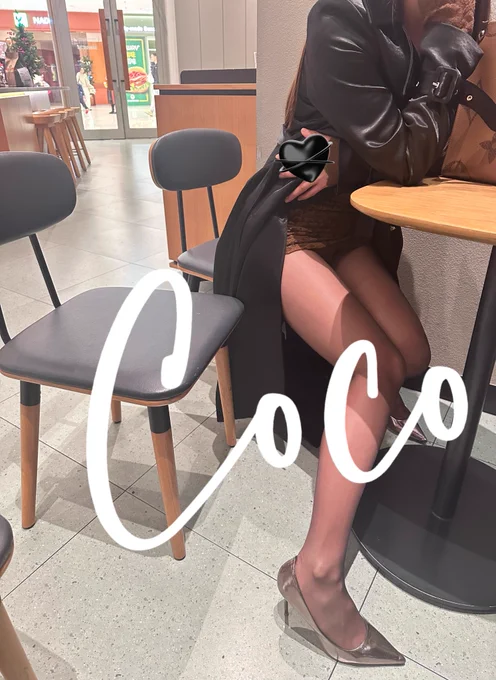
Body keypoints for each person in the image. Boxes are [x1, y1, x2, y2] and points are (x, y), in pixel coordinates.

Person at [213, 0, 481, 667]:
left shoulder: (433, 30)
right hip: (286, 228)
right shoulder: (345, 17)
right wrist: (329, 158)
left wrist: (344, 160)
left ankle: (360, 433)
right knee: (372, 366)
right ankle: (317, 574)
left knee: (412, 353)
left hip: (347, 228)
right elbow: (392, 152)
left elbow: (411, 155)